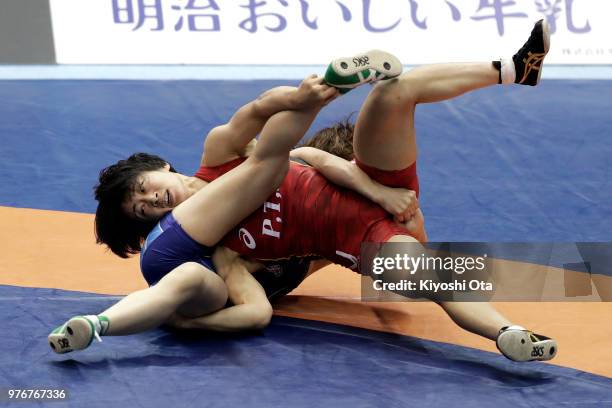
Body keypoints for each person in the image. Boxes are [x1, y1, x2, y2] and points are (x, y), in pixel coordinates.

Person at [50, 20, 557, 363]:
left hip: (380, 188)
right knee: (440, 281)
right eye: (142, 210)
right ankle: (507, 334)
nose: (154, 202)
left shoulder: (223, 156)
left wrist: (375, 189)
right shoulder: (221, 250)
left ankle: (517, 68)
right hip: (367, 236)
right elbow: (275, 289)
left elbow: (290, 140)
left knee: (394, 90)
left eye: (145, 189)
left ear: (161, 166)